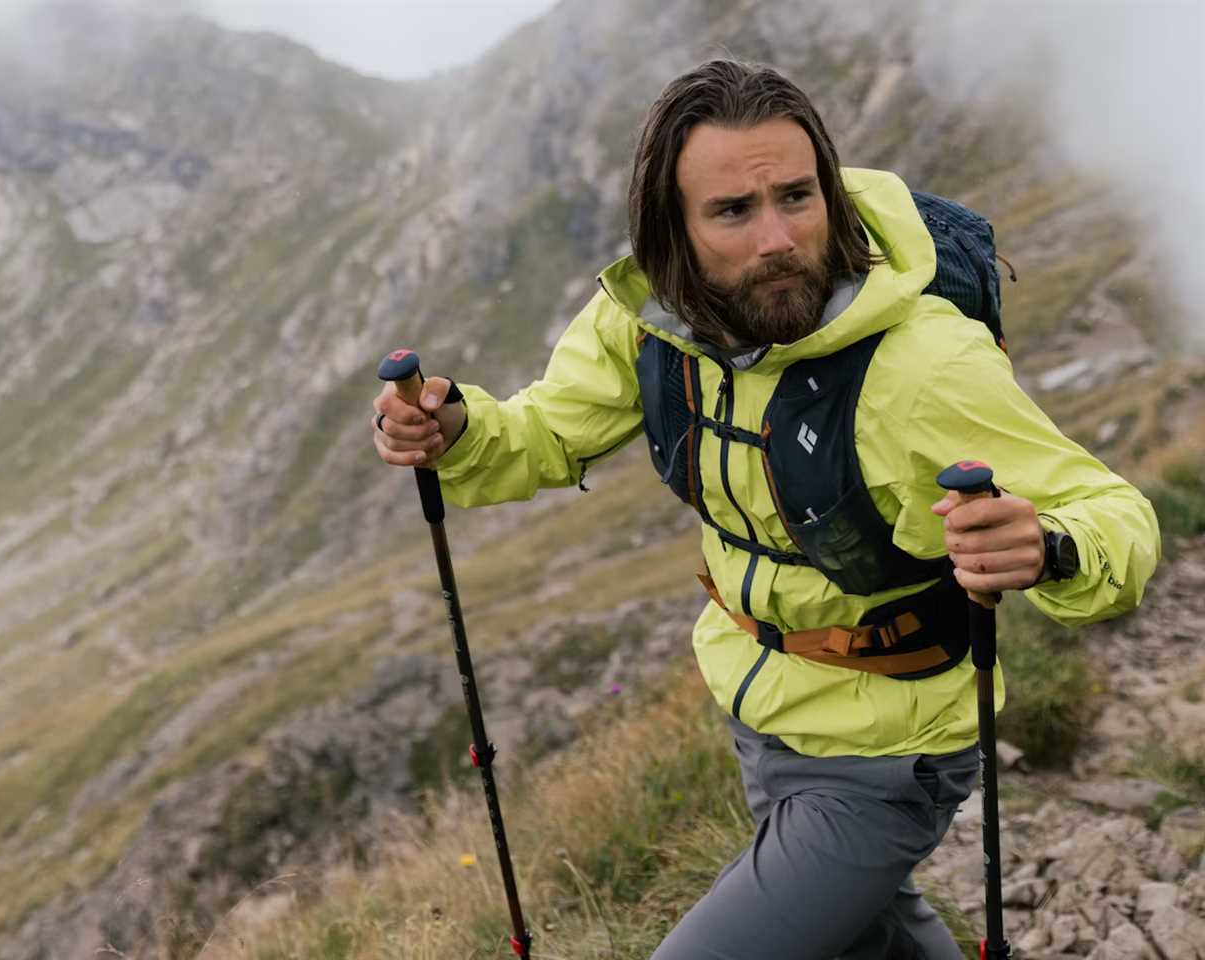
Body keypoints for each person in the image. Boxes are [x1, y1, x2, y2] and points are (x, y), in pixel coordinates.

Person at [369, 59, 1160, 959]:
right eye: (734, 212)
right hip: (762, 712)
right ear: (675, 230)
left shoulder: (923, 368)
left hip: (889, 750)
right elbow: (548, 434)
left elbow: (1114, 515)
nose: (777, 237)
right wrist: (459, 429)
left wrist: (1048, 547)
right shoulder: (653, 323)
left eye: (796, 196)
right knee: (870, 938)